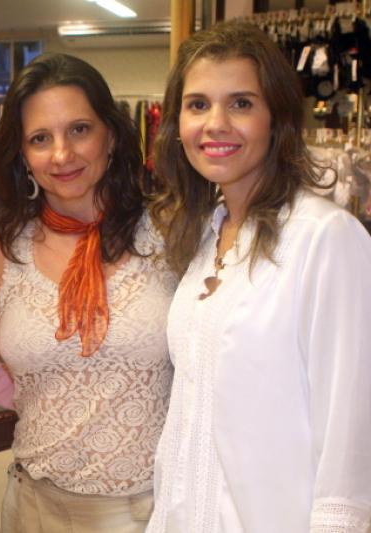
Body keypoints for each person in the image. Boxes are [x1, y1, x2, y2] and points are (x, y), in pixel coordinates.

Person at [146, 21, 371, 533]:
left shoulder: (325, 239)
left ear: (277, 119)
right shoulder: (204, 238)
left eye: (241, 104)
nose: (215, 124)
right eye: (197, 104)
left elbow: (351, 434)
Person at [0, 52, 177, 533]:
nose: (62, 154)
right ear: (22, 155)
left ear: (112, 134)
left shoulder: (172, 233)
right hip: (34, 511)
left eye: (79, 130)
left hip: (154, 512)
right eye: (40, 139)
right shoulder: (1, 249)